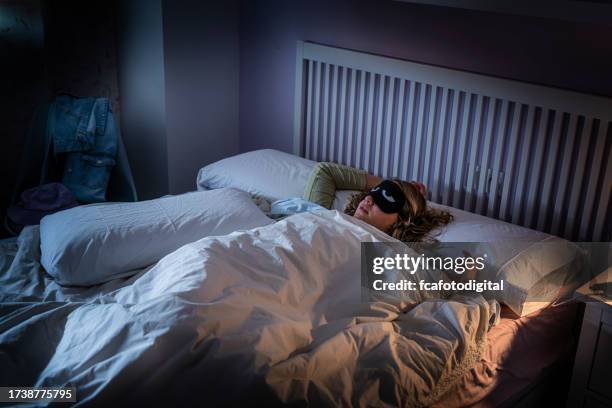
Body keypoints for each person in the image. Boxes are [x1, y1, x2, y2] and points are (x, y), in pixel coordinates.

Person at [303, 162, 452, 242]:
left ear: (403, 220)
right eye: (375, 191)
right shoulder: (319, 215)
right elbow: (324, 172)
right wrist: (390, 184)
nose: (368, 199)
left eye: (386, 197)